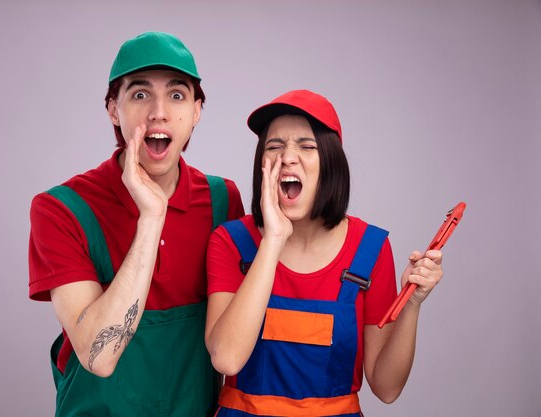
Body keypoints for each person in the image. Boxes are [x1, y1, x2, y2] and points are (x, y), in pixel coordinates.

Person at [28, 31, 244, 417]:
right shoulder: (60, 209)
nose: (158, 112)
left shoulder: (223, 202)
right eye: (140, 95)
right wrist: (152, 218)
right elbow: (100, 357)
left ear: (196, 111)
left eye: (177, 95)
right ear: (114, 109)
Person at [205, 89, 443, 416]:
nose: (288, 157)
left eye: (307, 146)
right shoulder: (231, 242)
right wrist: (273, 239)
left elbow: (387, 388)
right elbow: (226, 358)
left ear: (330, 163)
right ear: (262, 165)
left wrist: (412, 304)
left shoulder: (369, 249)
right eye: (274, 146)